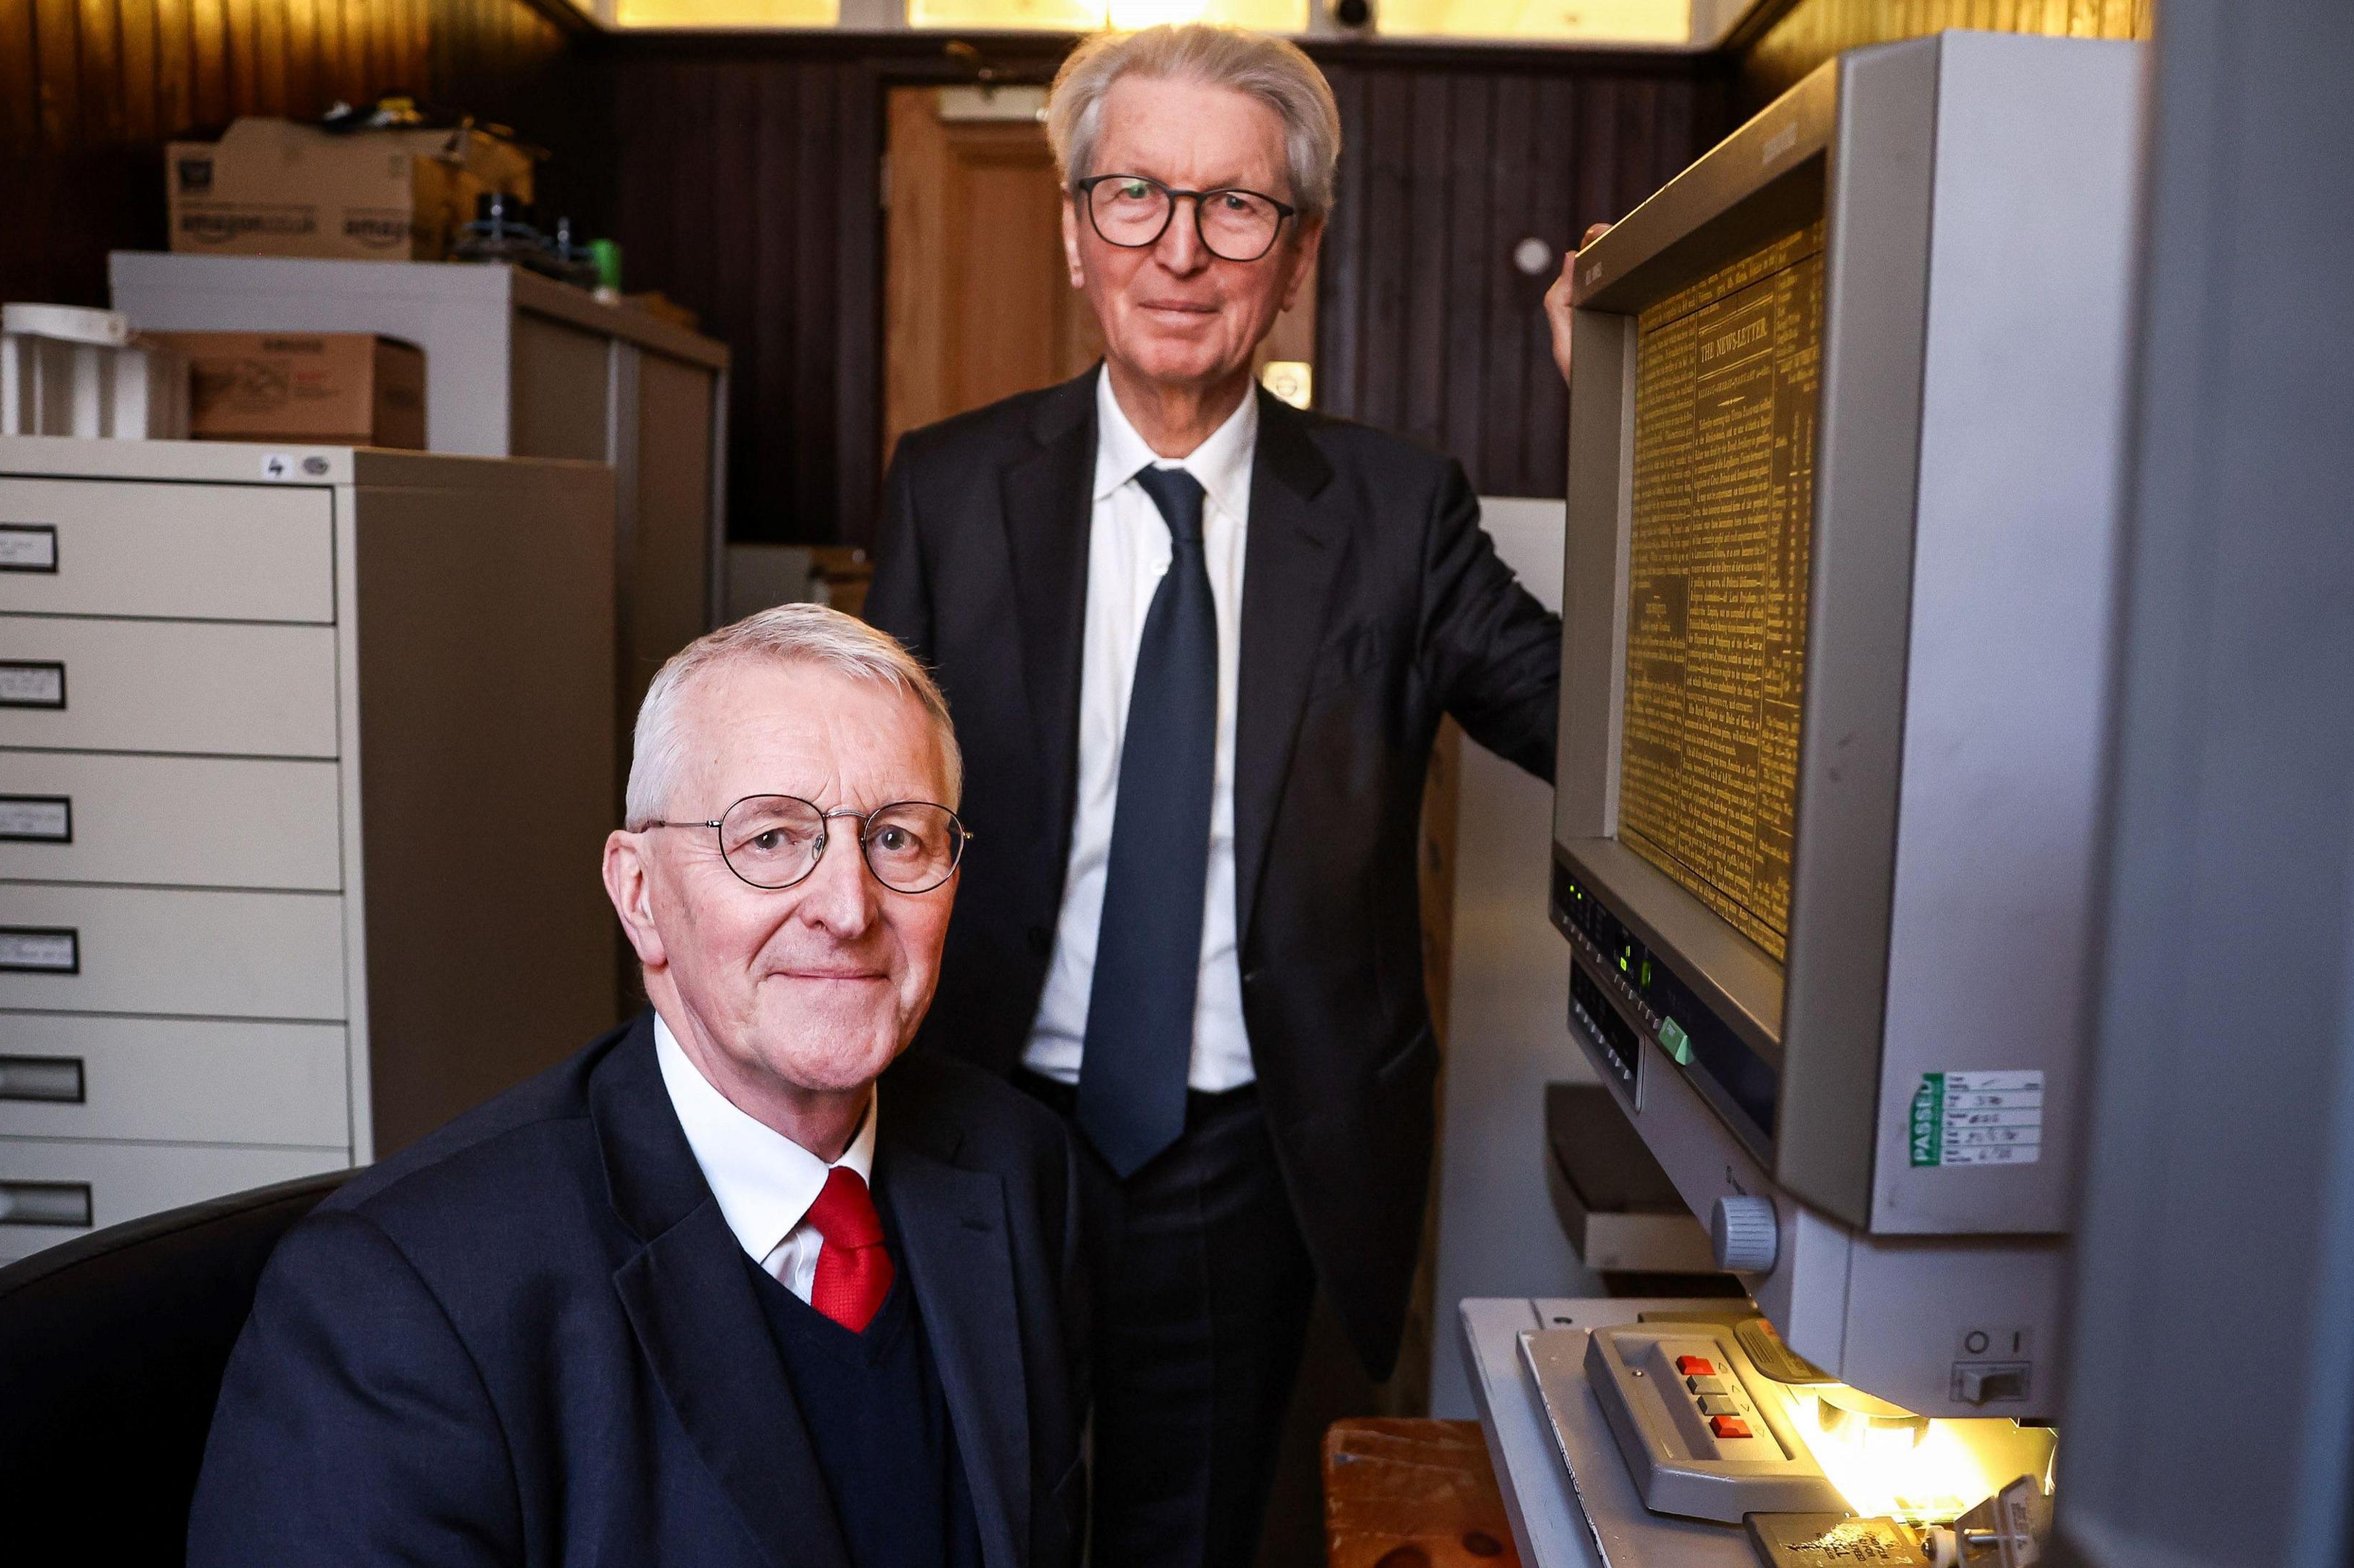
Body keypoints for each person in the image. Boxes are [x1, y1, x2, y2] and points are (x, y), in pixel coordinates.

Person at [865, 23, 1561, 1568]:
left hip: (1253, 1159)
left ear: (1296, 253)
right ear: (1074, 231)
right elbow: (867, 800)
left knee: (1195, 1543)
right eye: (1135, 197)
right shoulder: (949, 488)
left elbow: (1605, 729)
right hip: (979, 1123)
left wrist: (1630, 400)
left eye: (1236, 208)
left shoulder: (1396, 514)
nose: (1180, 251)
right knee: (970, 1513)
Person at [189, 605, 1088, 1568]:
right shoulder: (401, 1299)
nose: (847, 908)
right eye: (772, 838)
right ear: (641, 895)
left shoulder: (1016, 1166)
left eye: (899, 840)